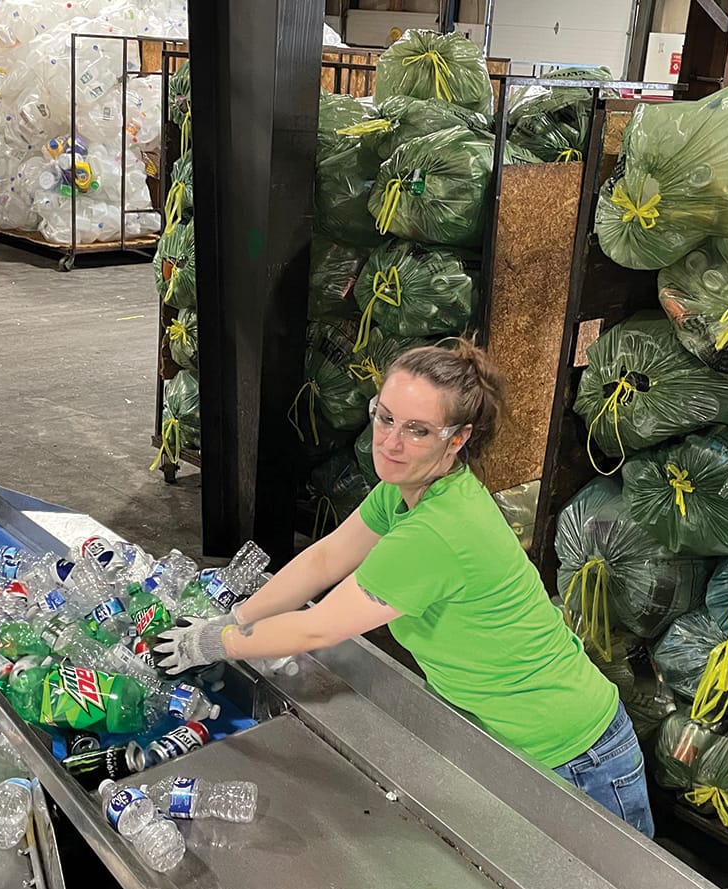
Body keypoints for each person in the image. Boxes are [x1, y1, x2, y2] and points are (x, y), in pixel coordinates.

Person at [155, 341, 654, 836]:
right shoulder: (404, 490)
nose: (390, 442)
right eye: (385, 417)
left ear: (457, 439)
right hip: (509, 735)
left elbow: (315, 629)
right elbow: (324, 558)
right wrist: (235, 619)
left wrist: (213, 643)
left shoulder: (437, 532)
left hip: (578, 755)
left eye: (417, 430)